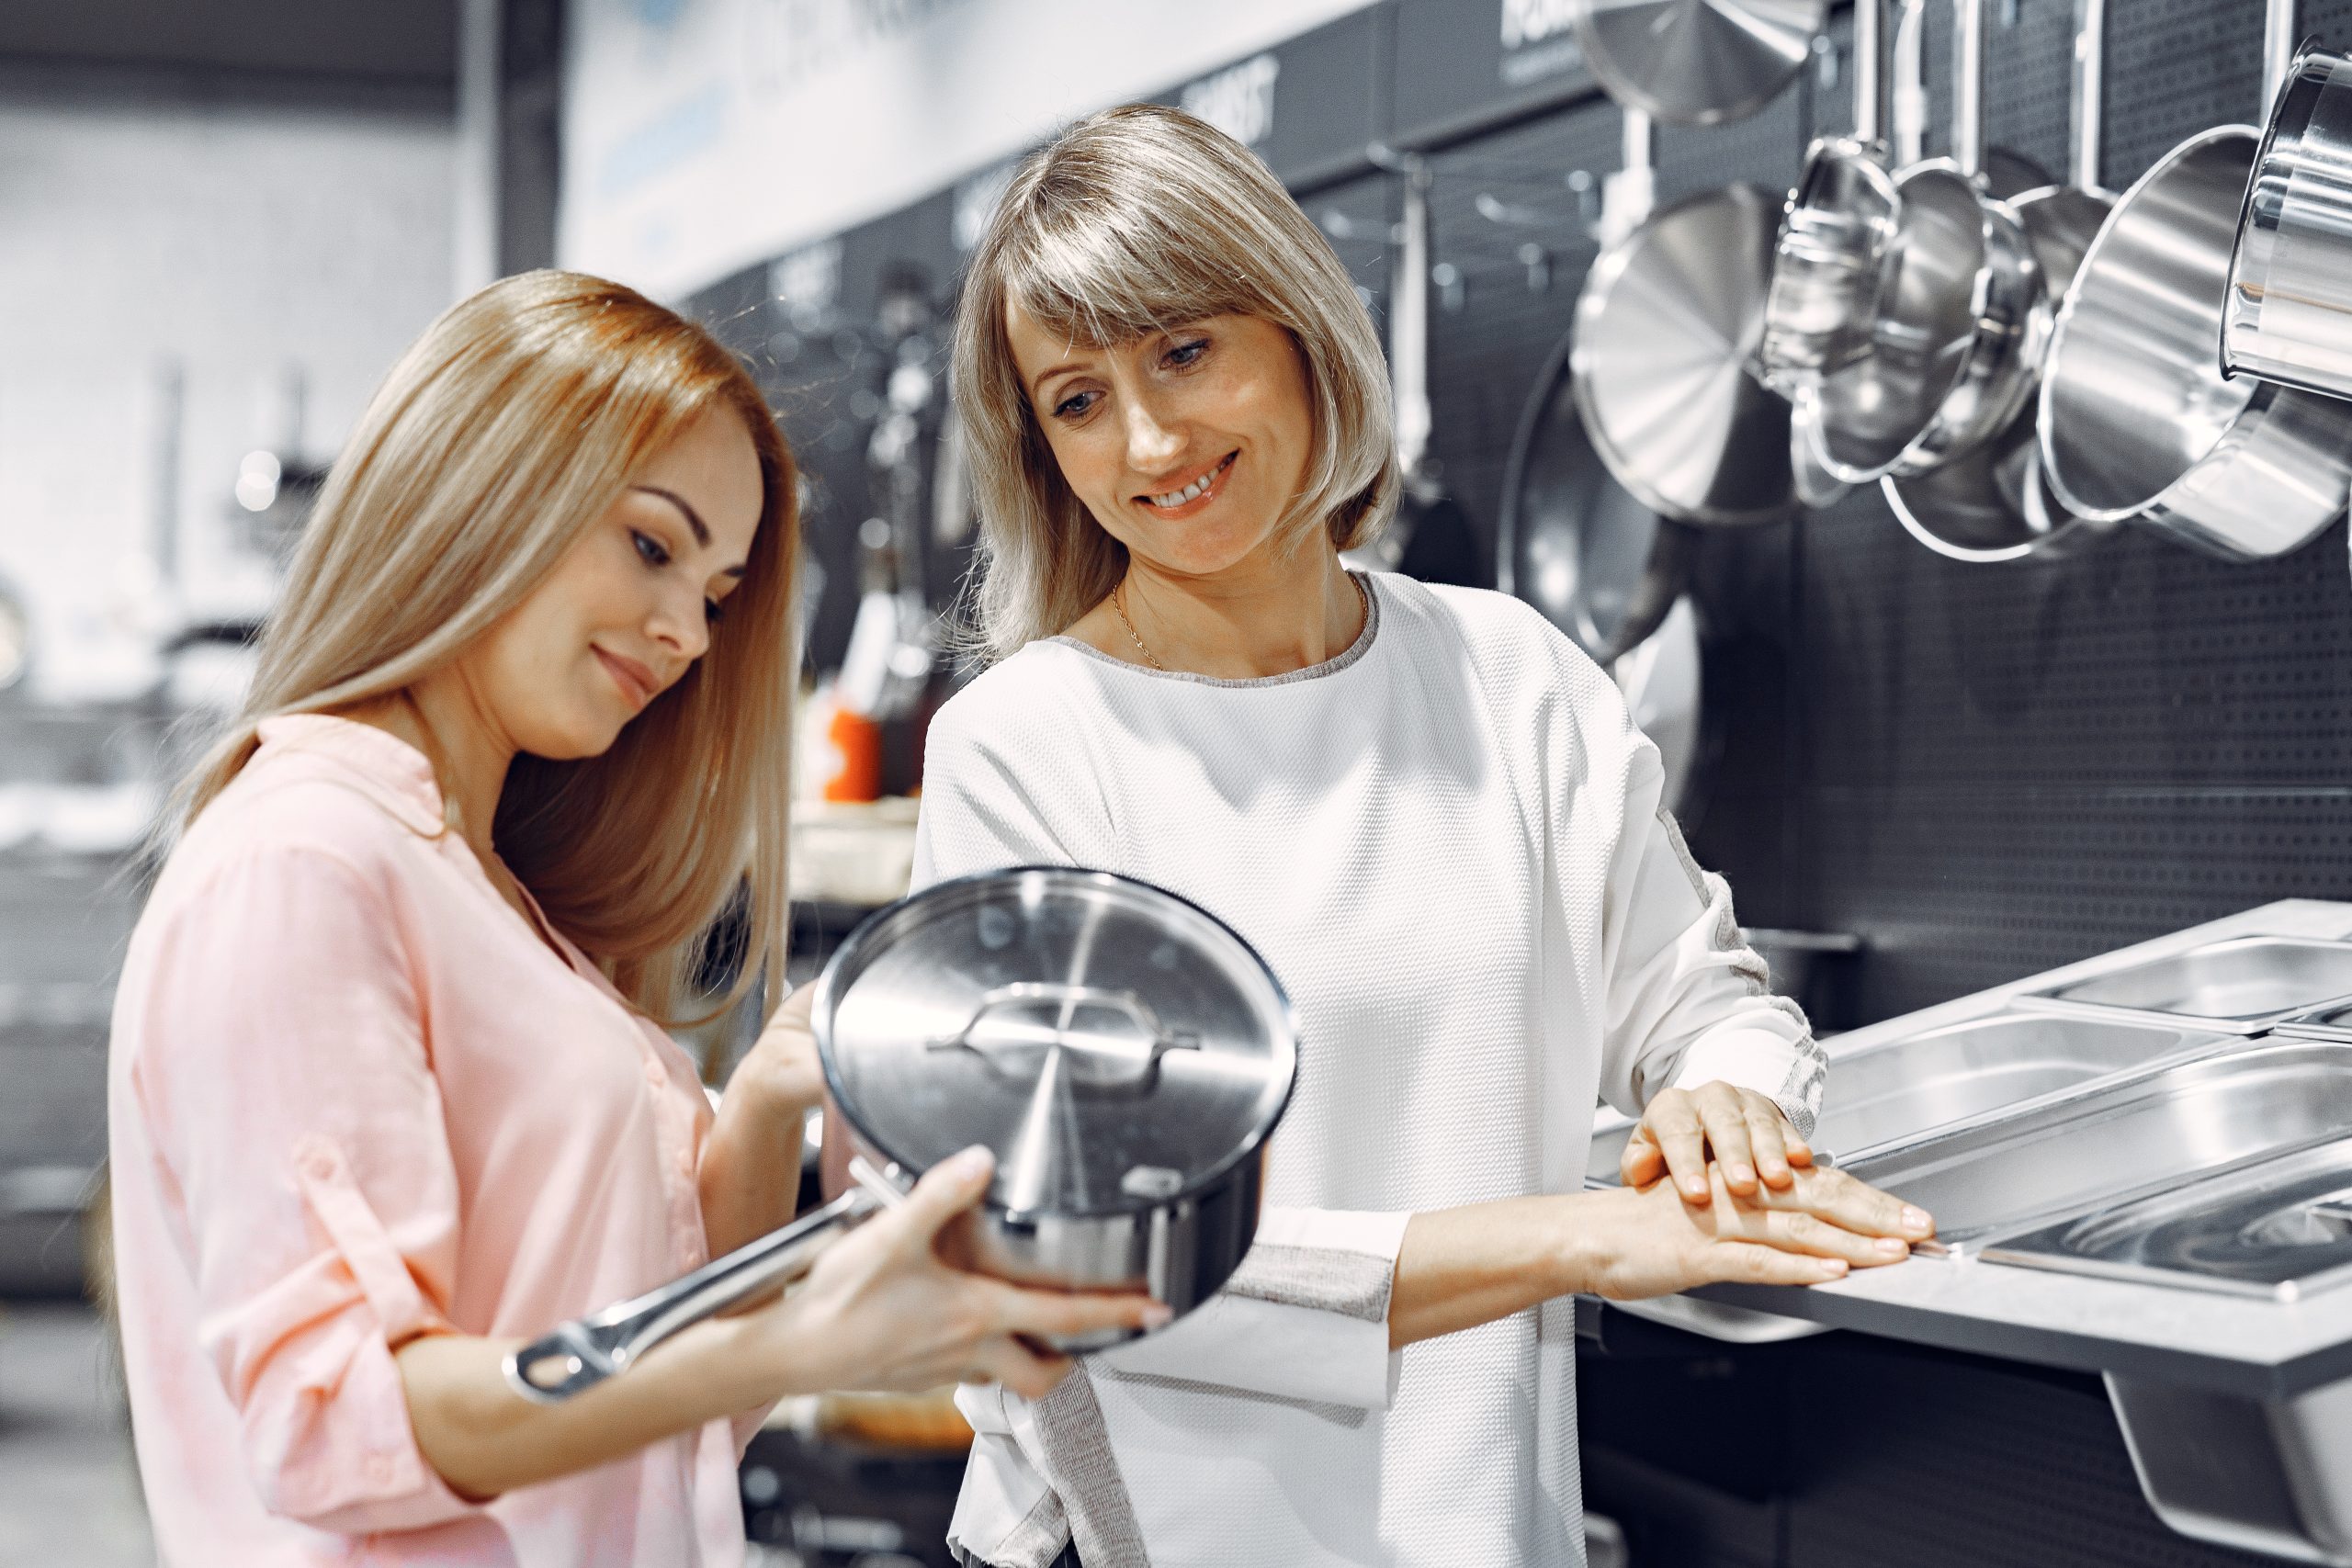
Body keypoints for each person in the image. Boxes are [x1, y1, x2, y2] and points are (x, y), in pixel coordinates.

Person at [916, 106, 1935, 1568]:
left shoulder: (1514, 678)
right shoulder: (1026, 751)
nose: (1148, 440)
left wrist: (1729, 1100)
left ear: (1298, 328)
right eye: (1077, 399)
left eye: (1184, 353)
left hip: (1484, 1525)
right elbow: (1086, 1264)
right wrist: (1585, 1238)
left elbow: (1709, 1003)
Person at [107, 270, 1164, 1568]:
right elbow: (342, 1419)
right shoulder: (304, 861)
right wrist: (809, 1336)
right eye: (652, 545)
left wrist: (773, 1097)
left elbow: (654, 1408)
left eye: (717, 594)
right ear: (476, 489)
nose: (686, 636)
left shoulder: (488, 887)